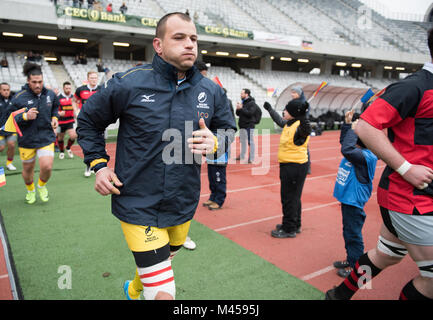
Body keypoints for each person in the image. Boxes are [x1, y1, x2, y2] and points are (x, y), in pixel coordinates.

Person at [76, 12, 236, 300]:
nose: (190, 44)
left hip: (183, 201)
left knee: (164, 258)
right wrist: (99, 166)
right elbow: (88, 121)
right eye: (179, 38)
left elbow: (228, 131)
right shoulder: (129, 83)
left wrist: (216, 142)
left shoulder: (211, 91)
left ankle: (133, 290)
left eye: (194, 38)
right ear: (158, 45)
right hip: (137, 203)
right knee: (163, 292)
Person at [326, 28, 433, 300]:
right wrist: (407, 169)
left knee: (384, 256)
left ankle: (338, 295)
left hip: (410, 199)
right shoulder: (416, 86)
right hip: (412, 199)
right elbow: (366, 126)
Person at [332, 109, 378, 278]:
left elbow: (347, 148)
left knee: (353, 233)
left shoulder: (366, 156)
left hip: (354, 201)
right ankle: (351, 258)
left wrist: (353, 129)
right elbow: (345, 143)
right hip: (348, 198)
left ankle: (356, 265)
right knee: (348, 231)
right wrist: (347, 123)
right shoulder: (358, 151)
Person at [7, 63, 59, 204]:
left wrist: (55, 118)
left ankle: (41, 186)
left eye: (40, 82)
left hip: (46, 137)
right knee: (28, 169)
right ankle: (30, 191)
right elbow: (9, 119)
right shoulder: (19, 97)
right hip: (27, 140)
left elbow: (55, 106)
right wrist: (24, 116)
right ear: (28, 81)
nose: (38, 85)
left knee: (47, 166)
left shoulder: (50, 94)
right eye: (34, 82)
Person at [263, 99, 311, 238]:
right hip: (289, 165)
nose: (284, 111)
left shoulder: (300, 127)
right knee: (294, 197)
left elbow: (307, 129)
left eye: (287, 110)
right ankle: (295, 224)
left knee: (289, 198)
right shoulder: (290, 123)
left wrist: (303, 113)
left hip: (295, 166)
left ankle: (289, 228)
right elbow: (279, 120)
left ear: (295, 114)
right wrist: (270, 110)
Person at [73, 70, 101, 177]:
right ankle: (88, 165)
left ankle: (96, 165)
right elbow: (74, 100)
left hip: (98, 121)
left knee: (97, 143)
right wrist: (76, 111)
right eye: (92, 78)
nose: (94, 80)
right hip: (84, 120)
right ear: (88, 79)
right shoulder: (80, 89)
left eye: (95, 78)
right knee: (87, 143)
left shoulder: (101, 89)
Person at [235, 88, 257, 163]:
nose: (241, 95)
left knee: (250, 142)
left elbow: (250, 113)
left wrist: (242, 108)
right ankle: (242, 155)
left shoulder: (252, 103)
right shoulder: (243, 102)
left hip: (249, 125)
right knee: (243, 142)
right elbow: (238, 114)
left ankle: (251, 158)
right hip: (242, 125)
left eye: (242, 93)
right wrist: (238, 109)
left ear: (246, 94)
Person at [57, 82, 77, 160]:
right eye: (66, 88)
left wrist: (76, 113)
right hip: (61, 121)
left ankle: (68, 147)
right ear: (63, 88)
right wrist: (59, 113)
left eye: (69, 88)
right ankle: (62, 152)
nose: (68, 90)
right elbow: (54, 110)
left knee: (73, 135)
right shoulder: (58, 97)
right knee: (60, 138)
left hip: (70, 120)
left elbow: (76, 107)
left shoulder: (73, 97)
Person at [0, 82, 17, 171]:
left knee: (12, 145)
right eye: (4, 90)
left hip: (11, 128)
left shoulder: (14, 99)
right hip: (0, 130)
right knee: (1, 148)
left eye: (8, 90)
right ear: (0, 90)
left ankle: (9, 163)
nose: (6, 92)